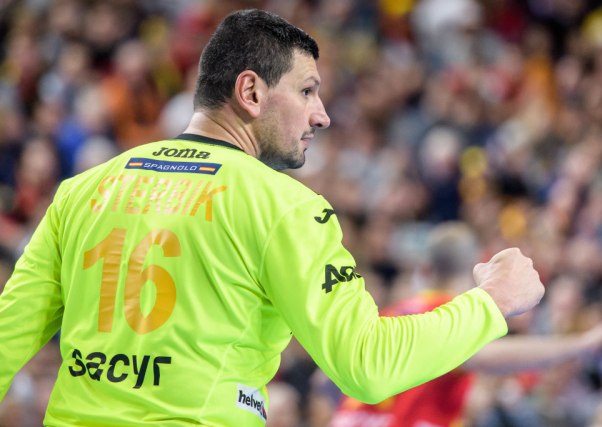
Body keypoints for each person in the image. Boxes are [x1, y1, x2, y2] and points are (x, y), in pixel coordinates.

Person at [0, 9, 544, 427]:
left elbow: (7, 338)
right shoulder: (283, 206)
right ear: (251, 91)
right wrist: (491, 302)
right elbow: (368, 364)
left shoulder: (84, 190)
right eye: (307, 91)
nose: (321, 115)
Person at [327, 222, 602, 427]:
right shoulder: (449, 316)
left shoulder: (387, 314)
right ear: (475, 268)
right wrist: (585, 344)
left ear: (426, 268)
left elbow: (323, 381)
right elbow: (488, 357)